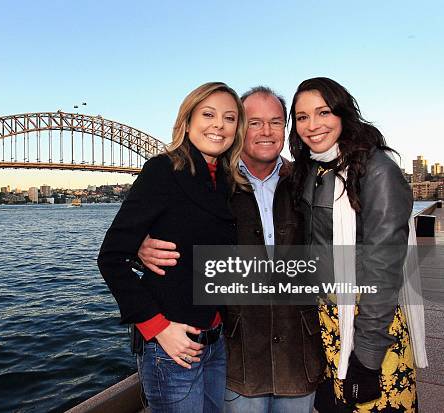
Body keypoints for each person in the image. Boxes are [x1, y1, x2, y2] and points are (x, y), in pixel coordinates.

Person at [138, 86, 325, 413]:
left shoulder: (307, 182)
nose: (266, 131)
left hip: (298, 357)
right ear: (240, 129)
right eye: (254, 122)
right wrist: (140, 243)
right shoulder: (213, 184)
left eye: (276, 122)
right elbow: (167, 226)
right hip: (239, 362)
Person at [98, 82, 247, 412]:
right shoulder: (163, 170)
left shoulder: (225, 179)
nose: (218, 125)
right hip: (171, 346)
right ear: (188, 120)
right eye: (208, 114)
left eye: (230, 117)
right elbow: (110, 258)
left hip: (215, 341)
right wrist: (158, 329)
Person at [288, 77, 426, 412]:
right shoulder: (312, 171)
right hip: (327, 324)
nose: (312, 125)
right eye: (302, 117)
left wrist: (367, 357)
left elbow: (383, 269)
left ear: (342, 114)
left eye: (322, 112)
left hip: (368, 322)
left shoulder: (377, 171)